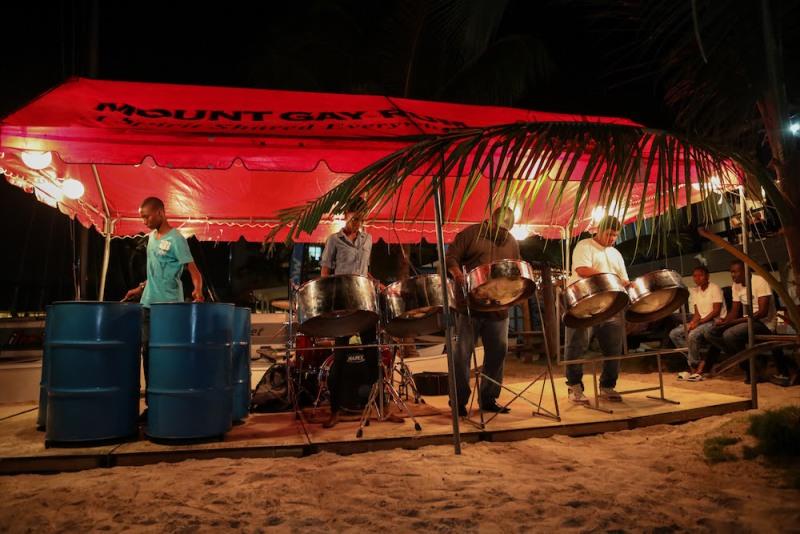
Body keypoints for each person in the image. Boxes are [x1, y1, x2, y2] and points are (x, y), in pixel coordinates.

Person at [122, 197, 204, 393]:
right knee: (147, 353)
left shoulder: (176, 239)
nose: (144, 221)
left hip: (168, 307)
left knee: (166, 354)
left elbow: (194, 271)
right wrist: (141, 288)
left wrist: (198, 290)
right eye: (142, 217)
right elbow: (156, 271)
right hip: (147, 306)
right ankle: (154, 403)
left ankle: (170, 397)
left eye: (146, 216)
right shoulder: (151, 237)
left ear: (160, 213)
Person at [446, 206, 520, 416]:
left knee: (498, 352)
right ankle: (458, 401)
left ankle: (488, 398)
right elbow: (451, 257)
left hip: (498, 306)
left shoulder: (512, 241)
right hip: (470, 306)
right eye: (501, 229)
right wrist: (457, 273)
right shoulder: (471, 234)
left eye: (507, 230)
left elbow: (514, 269)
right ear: (491, 222)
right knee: (462, 355)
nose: (504, 234)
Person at [319, 197, 381, 428]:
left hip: (364, 305)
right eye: (354, 219)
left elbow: (365, 271)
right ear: (346, 215)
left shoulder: (369, 239)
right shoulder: (334, 240)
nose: (358, 224)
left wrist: (378, 283)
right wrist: (329, 296)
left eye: (362, 220)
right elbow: (325, 271)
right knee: (341, 359)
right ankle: (334, 410)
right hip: (343, 307)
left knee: (373, 355)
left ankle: (380, 407)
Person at [564, 216, 629, 404]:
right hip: (585, 303)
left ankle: (607, 385)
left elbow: (623, 279)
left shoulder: (616, 254)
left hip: (610, 305)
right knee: (577, 346)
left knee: (613, 348)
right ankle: (574, 387)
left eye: (615, 235)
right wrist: (609, 275)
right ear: (599, 230)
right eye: (608, 234)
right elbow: (582, 269)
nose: (611, 238)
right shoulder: (585, 245)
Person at [705, 260, 792, 383]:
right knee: (711, 333)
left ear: (745, 271)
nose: (733, 275)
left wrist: (733, 322)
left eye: (735, 272)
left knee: (729, 335)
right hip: (747, 321)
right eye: (731, 272)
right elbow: (734, 312)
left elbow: (762, 312)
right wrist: (724, 321)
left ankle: (751, 369)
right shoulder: (736, 285)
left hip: (764, 323)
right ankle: (752, 363)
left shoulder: (759, 281)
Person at [669, 266, 726, 380]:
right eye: (695, 276)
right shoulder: (695, 291)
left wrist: (698, 323)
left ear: (707, 276)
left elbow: (715, 311)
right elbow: (697, 313)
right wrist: (693, 323)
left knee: (692, 335)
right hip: (702, 321)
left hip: (715, 321)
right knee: (674, 334)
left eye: (700, 275)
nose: (697, 278)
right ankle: (699, 360)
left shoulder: (714, 288)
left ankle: (694, 367)